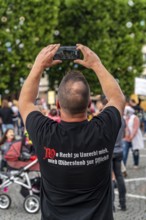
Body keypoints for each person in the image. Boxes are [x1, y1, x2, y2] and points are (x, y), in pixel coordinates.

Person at [18, 44, 125, 220]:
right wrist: (96, 64)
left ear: (58, 104)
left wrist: (38, 66)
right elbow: (117, 98)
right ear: (89, 103)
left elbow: (25, 102)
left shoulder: (44, 132)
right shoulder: (103, 130)